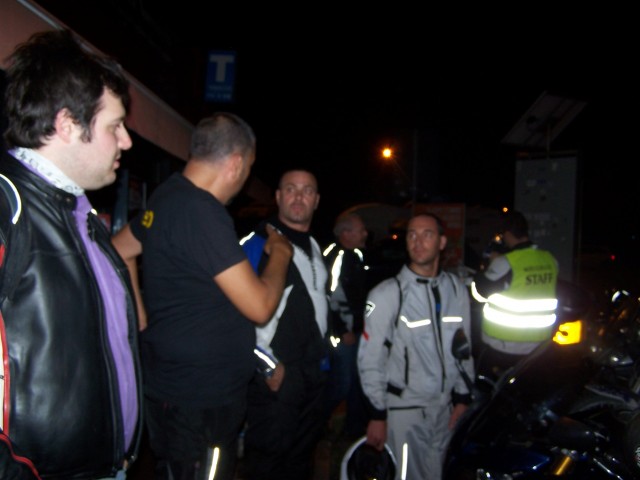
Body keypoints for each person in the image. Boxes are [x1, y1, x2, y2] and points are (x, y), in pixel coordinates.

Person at [111, 113, 293, 480]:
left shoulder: (168, 196)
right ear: (236, 164)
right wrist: (281, 254)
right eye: (248, 169)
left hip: (175, 393)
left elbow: (119, 249)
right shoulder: (202, 211)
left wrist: (140, 316)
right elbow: (260, 306)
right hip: (201, 404)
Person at [0, 29, 143, 479]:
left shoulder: (83, 217)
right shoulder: (7, 208)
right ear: (66, 125)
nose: (126, 141)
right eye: (114, 126)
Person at [357, 213, 475, 480]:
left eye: (427, 234)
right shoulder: (386, 294)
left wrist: (462, 398)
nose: (417, 241)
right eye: (412, 234)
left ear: (442, 242)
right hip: (405, 412)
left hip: (445, 412)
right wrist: (377, 414)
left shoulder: (456, 290)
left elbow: (463, 348)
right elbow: (370, 359)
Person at [239, 169, 329, 480]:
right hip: (277, 380)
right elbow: (234, 314)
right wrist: (267, 367)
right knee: (267, 466)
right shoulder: (258, 243)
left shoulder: (315, 247)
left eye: (307, 190)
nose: (299, 196)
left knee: (300, 463)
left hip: (312, 377)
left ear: (316, 201)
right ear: (277, 197)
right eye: (291, 189)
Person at [471, 210, 559, 379]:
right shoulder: (550, 259)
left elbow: (479, 294)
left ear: (508, 234)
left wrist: (490, 265)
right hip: (539, 347)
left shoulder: (505, 263)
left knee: (489, 389)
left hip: (503, 346)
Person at [322, 212, 370, 439]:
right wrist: (341, 330)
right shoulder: (336, 257)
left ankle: (353, 430)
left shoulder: (356, 255)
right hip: (342, 334)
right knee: (342, 382)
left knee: (356, 381)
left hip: (355, 331)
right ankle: (316, 420)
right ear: (346, 233)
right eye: (361, 230)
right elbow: (327, 297)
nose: (365, 234)